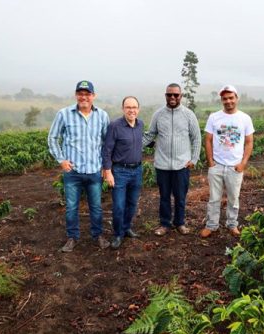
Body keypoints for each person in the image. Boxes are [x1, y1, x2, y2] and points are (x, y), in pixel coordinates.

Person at [48, 80, 110, 252]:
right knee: (72, 207)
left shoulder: (102, 116)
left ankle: (98, 235)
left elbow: (106, 143)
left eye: (87, 94)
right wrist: (61, 160)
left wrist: (106, 167)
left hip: (94, 172)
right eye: (80, 93)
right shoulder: (64, 114)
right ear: (76, 95)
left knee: (96, 207)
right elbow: (52, 138)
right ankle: (72, 237)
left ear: (93, 96)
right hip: (73, 172)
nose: (84, 97)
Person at [142, 83, 201, 236]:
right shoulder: (158, 114)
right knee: (164, 197)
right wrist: (133, 144)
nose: (173, 97)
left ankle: (180, 223)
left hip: (182, 165)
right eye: (170, 95)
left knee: (180, 197)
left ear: (181, 96)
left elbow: (196, 138)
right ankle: (164, 224)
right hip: (162, 165)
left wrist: (193, 159)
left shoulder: (189, 115)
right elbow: (150, 135)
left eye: (176, 95)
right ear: (165, 96)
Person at [200, 85, 254, 238]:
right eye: (225, 98)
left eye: (231, 98)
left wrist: (243, 163)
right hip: (217, 165)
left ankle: (232, 224)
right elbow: (208, 140)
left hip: (235, 166)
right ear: (221, 100)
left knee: (233, 198)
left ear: (237, 98)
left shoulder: (245, 118)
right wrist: (210, 162)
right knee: (214, 198)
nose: (228, 101)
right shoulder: (214, 117)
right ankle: (211, 225)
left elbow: (249, 142)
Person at [102, 96, 143, 249]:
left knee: (132, 204)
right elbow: (107, 150)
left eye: (134, 107)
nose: (131, 110)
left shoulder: (140, 125)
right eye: (128, 107)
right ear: (123, 109)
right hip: (120, 171)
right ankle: (118, 234)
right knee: (119, 205)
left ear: (138, 109)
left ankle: (126, 228)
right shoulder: (115, 126)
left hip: (137, 170)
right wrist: (108, 172)